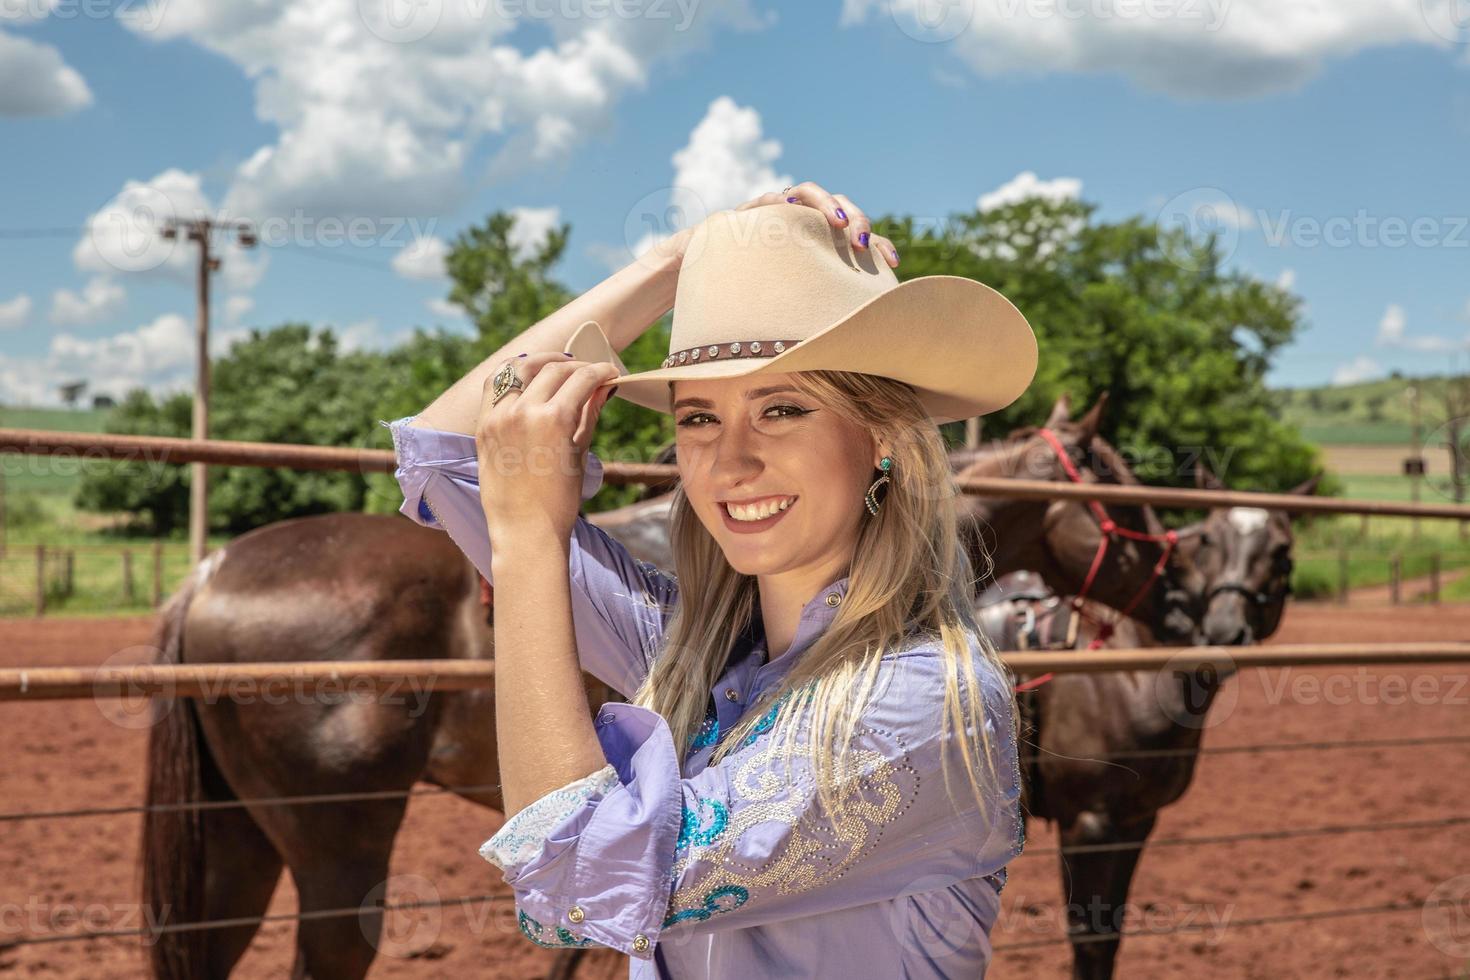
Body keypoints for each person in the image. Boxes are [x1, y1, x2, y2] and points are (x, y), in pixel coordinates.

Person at [382, 182, 1038, 977]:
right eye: (698, 417)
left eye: (782, 409)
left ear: (884, 439)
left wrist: (528, 539)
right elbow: (445, 457)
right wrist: (679, 264)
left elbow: (581, 882)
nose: (730, 461)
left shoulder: (918, 701)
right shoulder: (699, 653)